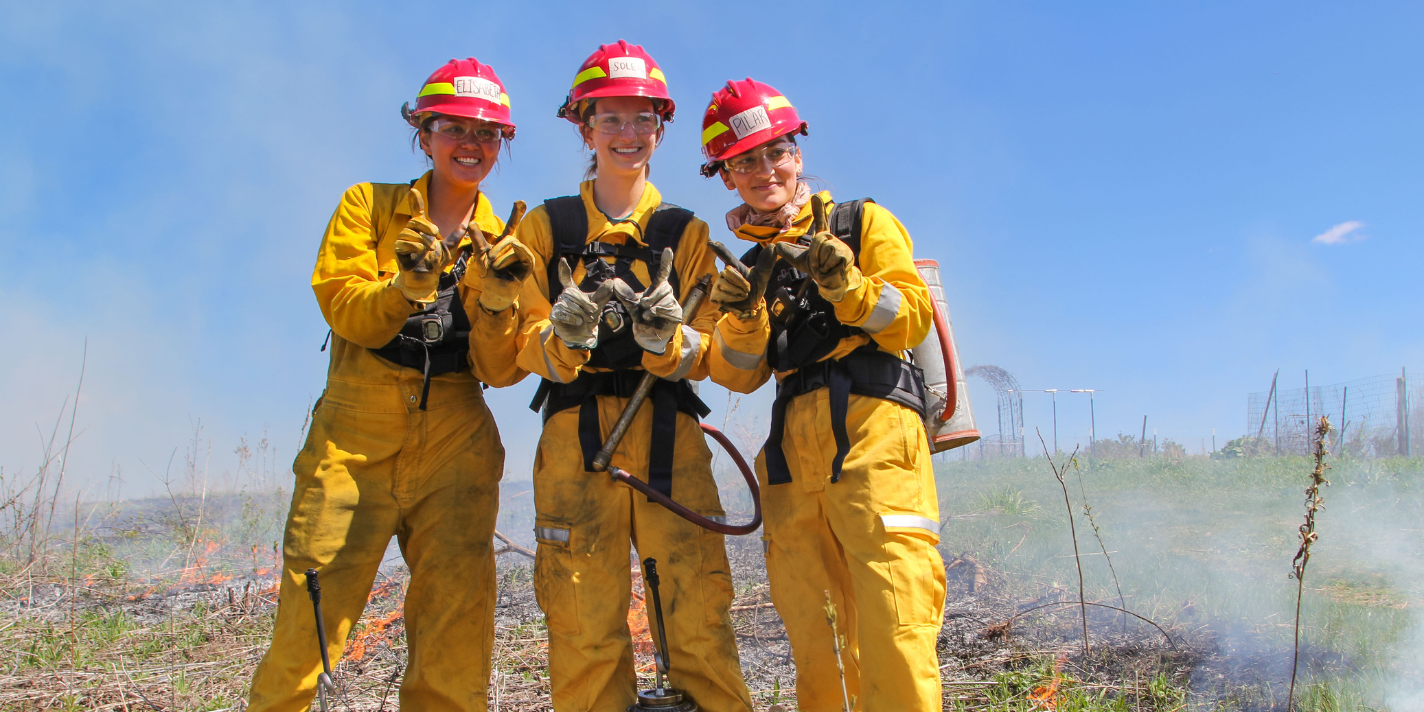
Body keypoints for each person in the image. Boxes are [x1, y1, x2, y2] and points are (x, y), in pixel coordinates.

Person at [247, 57, 533, 712]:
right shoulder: (369, 207)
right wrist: (407, 286)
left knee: (454, 639)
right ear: (423, 133)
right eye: (453, 128)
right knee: (308, 628)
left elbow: (500, 370)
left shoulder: (508, 240)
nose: (470, 143)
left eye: (487, 133)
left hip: (458, 437)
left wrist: (496, 305)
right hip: (354, 432)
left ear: (502, 144)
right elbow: (345, 309)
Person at [498, 40, 753, 712]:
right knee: (583, 626)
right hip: (575, 442)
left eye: (643, 118)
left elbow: (718, 353)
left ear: (661, 129)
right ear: (584, 128)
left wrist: (672, 341)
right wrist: (561, 339)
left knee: (698, 619)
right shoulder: (545, 227)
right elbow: (516, 343)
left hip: (671, 437)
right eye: (609, 118)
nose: (627, 133)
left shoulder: (685, 233)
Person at [700, 78, 947, 712]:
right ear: (726, 176)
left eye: (775, 152)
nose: (764, 170)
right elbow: (737, 375)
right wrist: (742, 318)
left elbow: (911, 318)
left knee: (895, 623)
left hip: (875, 432)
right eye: (744, 161)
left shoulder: (860, 223)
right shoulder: (745, 265)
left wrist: (847, 286)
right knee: (814, 636)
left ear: (798, 153)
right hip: (790, 455)